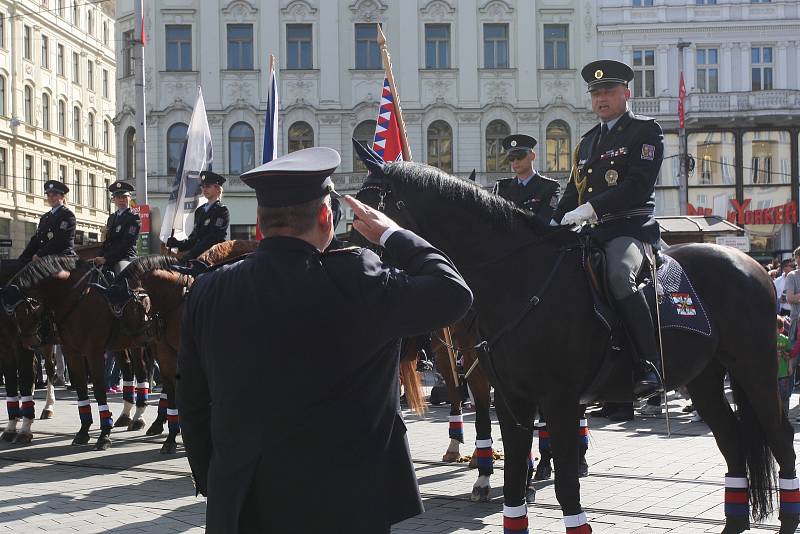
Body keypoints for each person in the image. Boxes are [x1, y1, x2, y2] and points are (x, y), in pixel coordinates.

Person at [177, 147, 473, 534]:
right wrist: (392, 234)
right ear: (325, 216)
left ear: (260, 227)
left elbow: (192, 403)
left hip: (245, 501)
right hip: (348, 504)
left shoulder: (208, 289)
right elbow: (454, 293)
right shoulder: (359, 278)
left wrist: (219, 480)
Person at [552, 59, 665, 398]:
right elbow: (571, 193)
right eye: (596, 93)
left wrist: (590, 208)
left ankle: (651, 364)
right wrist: (551, 224)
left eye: (609, 91)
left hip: (630, 229)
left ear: (626, 93)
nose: (601, 98)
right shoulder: (585, 143)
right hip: (592, 232)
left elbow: (637, 186)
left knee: (618, 275)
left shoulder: (645, 130)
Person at [492, 134, 560, 223]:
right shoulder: (501, 187)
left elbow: (545, 218)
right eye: (511, 158)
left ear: (532, 156)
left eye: (520, 156)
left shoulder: (550, 187)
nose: (515, 161)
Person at [166, 171, 229, 261]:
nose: (204, 189)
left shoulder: (221, 210)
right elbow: (194, 239)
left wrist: (192, 254)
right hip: (198, 255)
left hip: (214, 256)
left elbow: (213, 238)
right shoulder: (200, 210)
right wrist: (177, 243)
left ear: (217, 189)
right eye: (203, 187)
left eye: (208, 186)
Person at [19, 180, 76, 262]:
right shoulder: (45, 217)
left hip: (61, 256)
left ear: (62, 197)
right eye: (49, 195)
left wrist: (40, 254)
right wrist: (24, 257)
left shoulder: (67, 216)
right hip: (45, 256)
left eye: (54, 195)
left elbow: (59, 240)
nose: (51, 198)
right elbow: (36, 239)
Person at [92, 181, 141, 275]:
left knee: (120, 272)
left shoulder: (134, 218)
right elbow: (108, 241)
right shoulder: (111, 218)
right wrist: (99, 256)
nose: (121, 200)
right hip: (109, 257)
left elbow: (126, 244)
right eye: (118, 197)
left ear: (130, 198)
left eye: (124, 197)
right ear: (114, 199)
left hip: (125, 257)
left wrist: (106, 258)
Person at [778, 316, 794, 416]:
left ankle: (785, 415)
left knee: (784, 396)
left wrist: (790, 366)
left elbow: (790, 355)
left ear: (781, 329)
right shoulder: (767, 340)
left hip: (783, 373)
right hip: (773, 374)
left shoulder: (785, 340)